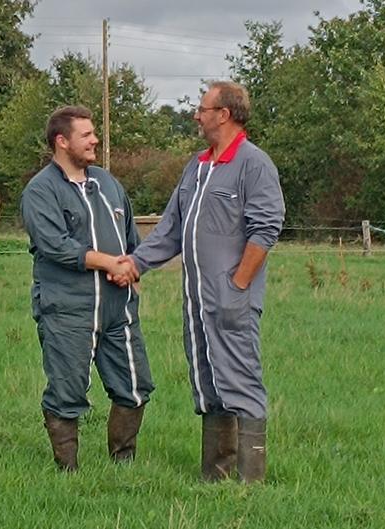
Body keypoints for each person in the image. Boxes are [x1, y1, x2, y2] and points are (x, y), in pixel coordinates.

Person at [116, 81, 285, 483]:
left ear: (223, 114)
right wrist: (135, 263)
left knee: (239, 379)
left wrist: (238, 284)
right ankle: (216, 475)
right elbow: (171, 229)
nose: (196, 114)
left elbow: (266, 228)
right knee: (207, 380)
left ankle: (250, 481)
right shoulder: (198, 165)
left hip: (231, 298)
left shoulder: (253, 164)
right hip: (196, 300)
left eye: (202, 108)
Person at [20, 105, 154, 471]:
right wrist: (108, 262)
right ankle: (69, 472)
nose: (95, 140)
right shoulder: (40, 191)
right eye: (86, 135)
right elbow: (56, 246)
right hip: (68, 308)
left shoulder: (108, 184)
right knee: (67, 391)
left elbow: (130, 239)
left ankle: (123, 464)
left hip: (118, 307)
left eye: (94, 133)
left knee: (135, 385)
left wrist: (131, 266)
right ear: (62, 142)